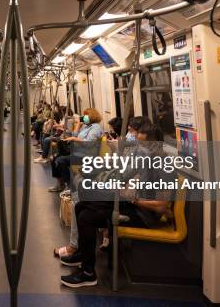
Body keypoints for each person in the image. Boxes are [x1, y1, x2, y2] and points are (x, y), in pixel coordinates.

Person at [60, 123, 173, 287]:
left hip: (143, 215)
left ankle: (88, 272)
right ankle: (83, 257)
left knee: (86, 215)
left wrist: (134, 199)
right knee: (80, 206)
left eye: (143, 145)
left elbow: (161, 207)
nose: (139, 148)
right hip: (131, 204)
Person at [49, 107, 103, 192]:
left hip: (87, 156)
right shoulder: (86, 126)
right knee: (54, 159)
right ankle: (60, 183)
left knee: (60, 161)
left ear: (92, 116)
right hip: (78, 152)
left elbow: (89, 143)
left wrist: (74, 139)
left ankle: (70, 187)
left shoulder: (96, 128)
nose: (84, 117)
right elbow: (74, 134)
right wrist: (78, 124)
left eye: (86, 115)